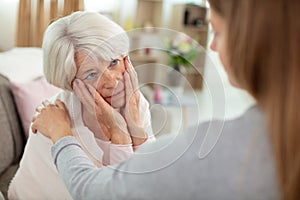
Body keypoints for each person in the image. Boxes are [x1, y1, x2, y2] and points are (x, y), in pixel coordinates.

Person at [32, 0, 300, 199]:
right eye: (91, 73)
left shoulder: (216, 149)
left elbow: (115, 187)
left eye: (216, 32)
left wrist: (117, 133)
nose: (213, 47)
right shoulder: (59, 111)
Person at [8, 12, 154, 200]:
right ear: (71, 83)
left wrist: (134, 127)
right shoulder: (56, 120)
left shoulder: (134, 101)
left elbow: (151, 178)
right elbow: (116, 194)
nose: (112, 81)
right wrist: (119, 133)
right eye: (92, 74)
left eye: (114, 62)